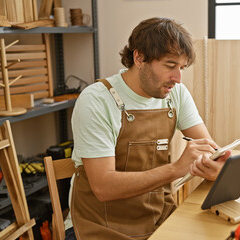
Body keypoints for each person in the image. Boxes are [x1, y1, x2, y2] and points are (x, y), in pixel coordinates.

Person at [69, 17, 230, 240]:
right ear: (139, 57)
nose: (178, 79)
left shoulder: (176, 94)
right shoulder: (97, 100)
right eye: (170, 65)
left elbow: (211, 151)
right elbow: (103, 187)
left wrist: (215, 167)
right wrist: (175, 169)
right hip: (100, 225)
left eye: (181, 68)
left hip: (157, 219)